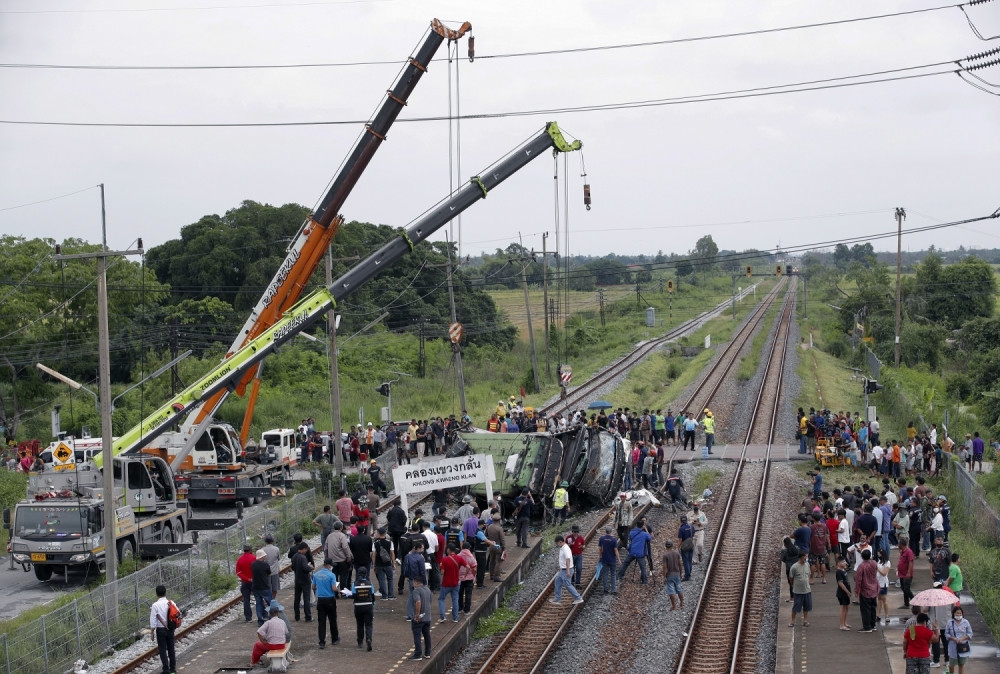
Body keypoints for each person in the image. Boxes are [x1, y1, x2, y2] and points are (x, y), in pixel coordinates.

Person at [343, 566, 375, 651]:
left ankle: (360, 641)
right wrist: (373, 603)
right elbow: (372, 595)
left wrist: (347, 594)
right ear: (366, 574)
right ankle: (369, 639)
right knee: (368, 624)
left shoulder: (355, 584)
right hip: (368, 605)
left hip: (358, 606)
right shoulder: (370, 584)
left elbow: (354, 595)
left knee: (360, 624)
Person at [149, 584, 177, 674]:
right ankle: (173, 669)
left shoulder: (155, 605)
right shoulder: (171, 602)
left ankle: (166, 670)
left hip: (161, 630)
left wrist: (152, 632)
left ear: (156, 594)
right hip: (170, 628)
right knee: (171, 648)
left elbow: (153, 620)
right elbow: (177, 613)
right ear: (165, 592)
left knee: (162, 649)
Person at [312, 559, 340, 648]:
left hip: (320, 600)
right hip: (330, 599)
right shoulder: (331, 575)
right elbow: (333, 588)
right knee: (332, 620)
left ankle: (321, 642)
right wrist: (339, 590)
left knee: (321, 622)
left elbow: (313, 586)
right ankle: (335, 639)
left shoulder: (316, 575)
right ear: (327, 565)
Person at [252, 602, 289, 666]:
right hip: (282, 645)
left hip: (272, 645)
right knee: (264, 645)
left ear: (270, 614)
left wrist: (262, 641)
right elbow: (286, 632)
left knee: (257, 645)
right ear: (277, 613)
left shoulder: (268, 622)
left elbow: (259, 632)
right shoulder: (282, 622)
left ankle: (254, 661)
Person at [549, 535, 584, 605]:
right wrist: (561, 567)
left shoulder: (566, 549)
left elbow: (568, 559)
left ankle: (578, 598)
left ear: (560, 542)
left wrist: (568, 571)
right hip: (563, 570)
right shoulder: (562, 548)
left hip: (567, 570)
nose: (557, 545)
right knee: (557, 581)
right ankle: (557, 599)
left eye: (557, 543)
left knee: (568, 585)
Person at [438, 543, 468, 622]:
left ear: (448, 550)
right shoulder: (459, 558)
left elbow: (442, 572)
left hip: (446, 583)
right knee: (455, 600)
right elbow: (468, 566)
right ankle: (455, 618)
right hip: (455, 582)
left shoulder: (444, 559)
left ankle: (442, 617)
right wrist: (465, 575)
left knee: (441, 599)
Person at [855, 549, 879, 632]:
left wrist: (856, 590)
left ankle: (867, 626)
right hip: (874, 588)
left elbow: (858, 580)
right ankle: (873, 625)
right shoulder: (874, 563)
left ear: (862, 557)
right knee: (873, 608)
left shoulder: (861, 566)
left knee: (866, 609)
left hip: (865, 590)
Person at [410, 576, 433, 661]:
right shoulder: (428, 589)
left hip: (420, 618)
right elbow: (430, 601)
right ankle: (427, 653)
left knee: (417, 635)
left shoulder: (416, 591)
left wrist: (417, 615)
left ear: (416, 582)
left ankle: (418, 654)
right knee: (427, 635)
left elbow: (418, 602)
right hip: (428, 617)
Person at [945, 605, 973, 674]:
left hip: (963, 646)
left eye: (960, 613)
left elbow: (970, 634)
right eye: (957, 613)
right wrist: (953, 638)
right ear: (953, 613)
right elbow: (946, 634)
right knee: (952, 664)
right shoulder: (949, 622)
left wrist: (962, 638)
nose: (959, 615)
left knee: (961, 665)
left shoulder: (966, 622)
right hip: (953, 647)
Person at [291, 542, 313, 622]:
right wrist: (310, 568)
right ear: (303, 549)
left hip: (297, 579)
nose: (306, 551)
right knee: (306, 599)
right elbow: (305, 567)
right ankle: (308, 616)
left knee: (297, 599)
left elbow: (293, 567)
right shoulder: (303, 558)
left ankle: (297, 616)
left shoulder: (294, 557)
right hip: (305, 580)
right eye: (306, 549)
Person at [372, 527, 396, 600]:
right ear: (385, 534)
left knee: (381, 580)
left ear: (379, 534)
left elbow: (373, 555)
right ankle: (391, 595)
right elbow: (392, 553)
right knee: (390, 579)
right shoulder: (390, 542)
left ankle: (384, 596)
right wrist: (393, 563)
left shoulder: (375, 543)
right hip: (388, 563)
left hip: (379, 564)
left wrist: (374, 565)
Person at [251, 550, 273, 626]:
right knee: (270, 603)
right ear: (262, 556)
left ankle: (260, 621)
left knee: (259, 604)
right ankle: (272, 618)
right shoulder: (265, 565)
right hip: (265, 586)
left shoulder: (253, 564)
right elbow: (269, 573)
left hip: (256, 587)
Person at [235, 544, 256, 623]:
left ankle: (248, 617)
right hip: (254, 581)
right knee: (259, 597)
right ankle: (262, 614)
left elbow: (238, 572)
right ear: (250, 550)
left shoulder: (240, 560)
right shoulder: (254, 558)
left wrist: (246, 578)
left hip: (245, 582)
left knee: (246, 600)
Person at [662, 539, 684, 610]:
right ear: (672, 545)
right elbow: (680, 564)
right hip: (677, 574)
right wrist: (681, 573)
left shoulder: (665, 555)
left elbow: (664, 567)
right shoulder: (677, 553)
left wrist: (664, 577)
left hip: (670, 575)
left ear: (666, 546)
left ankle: (674, 606)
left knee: (671, 590)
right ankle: (681, 602)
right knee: (679, 588)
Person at [597, 527, 619, 595]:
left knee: (605, 574)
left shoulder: (602, 539)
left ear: (605, 531)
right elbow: (615, 550)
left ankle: (606, 589)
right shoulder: (614, 539)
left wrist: (599, 557)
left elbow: (600, 549)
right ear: (611, 531)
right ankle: (613, 590)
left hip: (605, 559)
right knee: (613, 575)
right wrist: (619, 559)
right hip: (612, 559)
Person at [457, 541, 478, 613]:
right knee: (468, 593)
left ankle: (460, 608)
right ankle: (467, 610)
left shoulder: (458, 556)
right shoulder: (471, 557)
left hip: (460, 578)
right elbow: (474, 568)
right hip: (469, 577)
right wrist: (474, 575)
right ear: (469, 548)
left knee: (460, 593)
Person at [897, 536, 915, 608]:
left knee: (906, 589)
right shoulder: (903, 551)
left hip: (906, 574)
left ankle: (912, 601)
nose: (898, 545)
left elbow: (910, 562)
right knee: (904, 588)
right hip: (901, 574)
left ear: (901, 544)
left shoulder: (909, 552)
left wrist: (908, 573)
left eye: (898, 544)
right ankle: (907, 603)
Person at [262, 534, 281, 600]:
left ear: (265, 541)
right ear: (273, 541)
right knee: (275, 587)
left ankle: (268, 600)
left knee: (267, 587)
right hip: (275, 571)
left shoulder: (263, 550)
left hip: (266, 572)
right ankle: (273, 599)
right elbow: (278, 558)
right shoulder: (276, 549)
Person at [835, 557, 852, 630]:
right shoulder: (839, 572)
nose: (845, 563)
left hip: (846, 592)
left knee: (846, 607)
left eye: (845, 561)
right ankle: (841, 625)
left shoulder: (843, 570)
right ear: (839, 563)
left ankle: (845, 622)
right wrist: (847, 591)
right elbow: (840, 583)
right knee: (843, 608)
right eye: (843, 562)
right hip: (842, 593)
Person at [875, 548, 891, 624]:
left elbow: (884, 573)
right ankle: (878, 615)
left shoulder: (887, 563)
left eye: (879, 554)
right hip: (878, 583)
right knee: (879, 599)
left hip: (883, 583)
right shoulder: (879, 562)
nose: (878, 555)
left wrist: (877, 569)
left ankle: (887, 615)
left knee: (884, 599)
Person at [678, 516, 694, 581]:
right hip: (691, 545)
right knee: (690, 560)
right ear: (686, 520)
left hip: (684, 547)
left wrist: (677, 547)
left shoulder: (681, 529)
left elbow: (680, 540)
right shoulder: (691, 526)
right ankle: (689, 573)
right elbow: (693, 534)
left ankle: (687, 576)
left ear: (681, 521)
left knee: (686, 561)